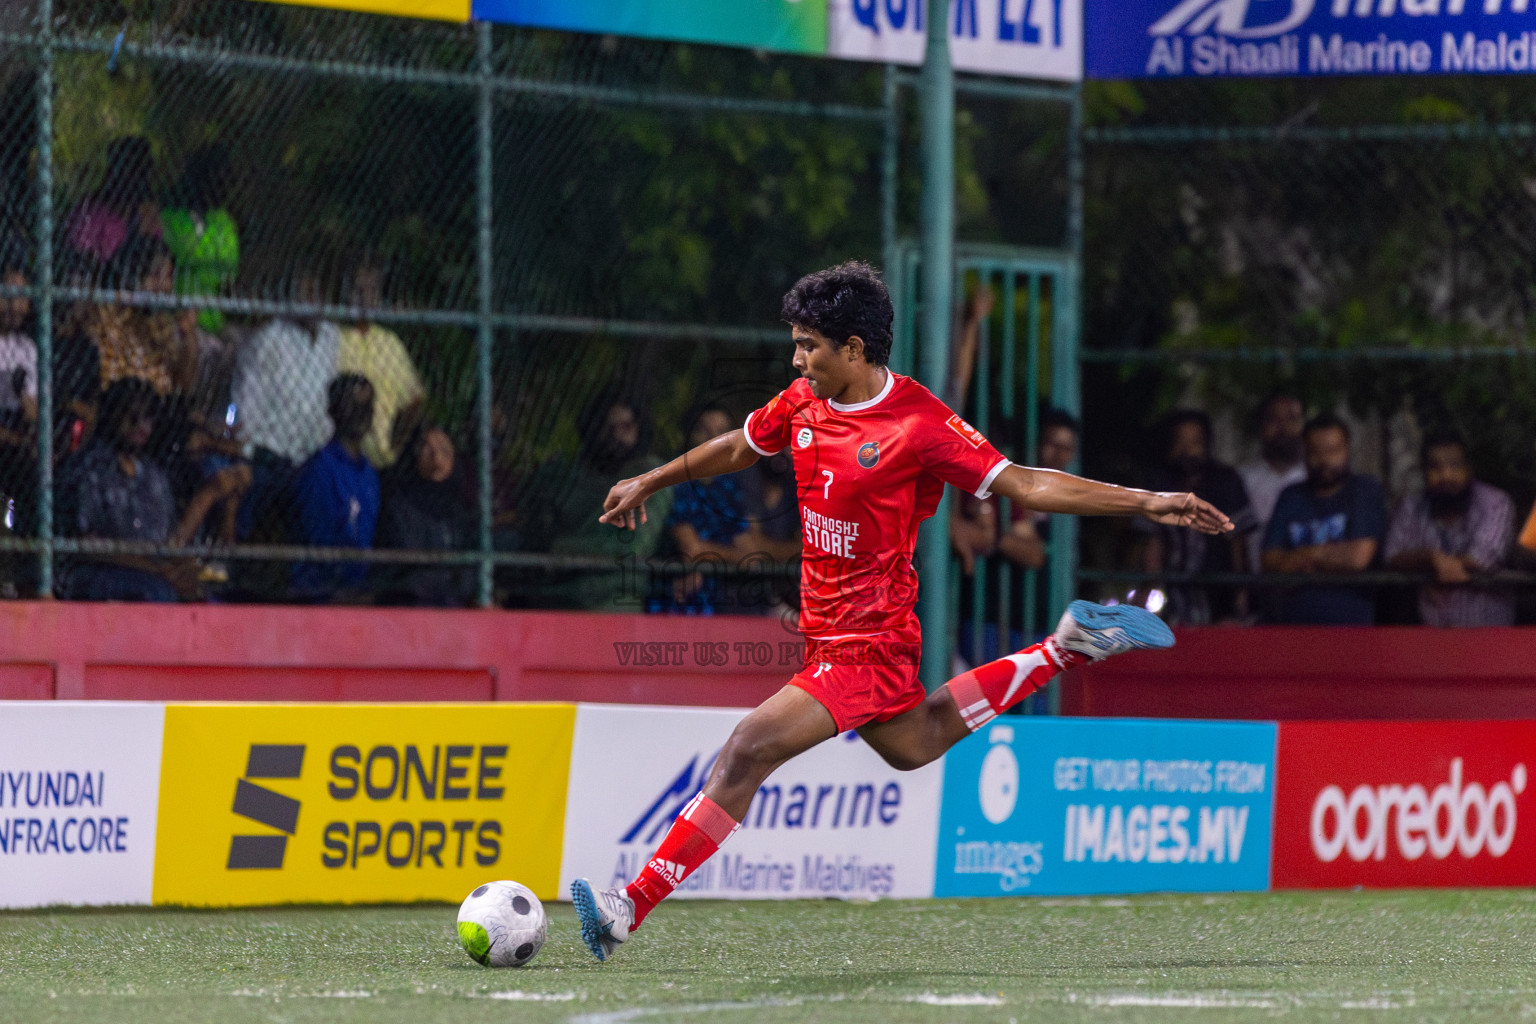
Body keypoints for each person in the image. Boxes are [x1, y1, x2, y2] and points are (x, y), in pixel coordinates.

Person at [568, 261, 1231, 961]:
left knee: (745, 750)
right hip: (827, 635)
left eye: (808, 345)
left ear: (854, 349)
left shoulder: (919, 423)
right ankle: (1067, 645)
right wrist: (652, 477)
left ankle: (624, 908)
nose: (797, 359)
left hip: (870, 641)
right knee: (916, 743)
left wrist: (1147, 501)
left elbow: (1027, 484)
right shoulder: (800, 401)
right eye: (795, 344)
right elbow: (738, 445)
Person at [57, 378, 250, 602]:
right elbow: (89, 546)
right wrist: (156, 570)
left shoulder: (152, 475)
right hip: (101, 572)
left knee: (205, 596)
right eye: (131, 414)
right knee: (157, 592)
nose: (140, 424)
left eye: (147, 416)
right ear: (113, 415)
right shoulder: (91, 468)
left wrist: (207, 495)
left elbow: (170, 545)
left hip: (152, 571)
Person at [230, 271, 340, 539]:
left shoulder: (330, 336)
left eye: (315, 292)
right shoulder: (268, 338)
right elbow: (244, 404)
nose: (310, 300)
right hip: (269, 454)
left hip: (313, 455)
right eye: (303, 293)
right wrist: (247, 451)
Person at [1261, 414, 1388, 625]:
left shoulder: (1364, 490)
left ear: (1346, 450)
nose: (1324, 461)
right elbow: (1270, 561)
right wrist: (1330, 556)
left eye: (1332, 451)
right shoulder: (1290, 496)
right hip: (1291, 626)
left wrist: (1304, 555)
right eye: (1315, 452)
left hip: (1351, 626)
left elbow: (1358, 558)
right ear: (1305, 453)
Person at [1134, 410, 1255, 625]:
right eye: (1180, 441)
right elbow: (1152, 547)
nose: (1187, 450)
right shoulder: (1159, 484)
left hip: (1218, 598)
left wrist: (1240, 599)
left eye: (1195, 442)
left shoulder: (1225, 481)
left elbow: (1238, 544)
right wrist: (1143, 602)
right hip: (1172, 601)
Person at [1384, 432, 1515, 627]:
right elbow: (1391, 555)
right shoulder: (1411, 505)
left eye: (1455, 465)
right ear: (1423, 471)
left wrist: (1438, 566)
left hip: (1487, 636)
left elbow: (1483, 557)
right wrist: (1430, 557)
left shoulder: (1494, 502)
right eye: (1435, 467)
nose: (1445, 475)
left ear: (1468, 469)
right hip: (1430, 637)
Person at [289, 374, 381, 601]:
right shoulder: (320, 468)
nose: (362, 414)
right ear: (334, 411)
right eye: (353, 405)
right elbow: (320, 544)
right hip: (320, 592)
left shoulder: (369, 473)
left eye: (366, 406)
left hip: (356, 589)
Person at [375, 422, 476, 607]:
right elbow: (405, 569)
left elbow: (470, 569)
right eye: (427, 449)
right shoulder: (400, 503)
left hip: (452, 606)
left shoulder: (460, 510)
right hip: (409, 606)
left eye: (444, 451)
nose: (436, 458)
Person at [337, 255, 424, 469]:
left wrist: (395, 446)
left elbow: (415, 400)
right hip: (342, 458)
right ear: (347, 293)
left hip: (383, 460)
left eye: (372, 290)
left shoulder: (390, 343)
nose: (366, 298)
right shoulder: (333, 339)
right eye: (359, 289)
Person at [160, 144, 239, 334]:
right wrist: (207, 261)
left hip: (213, 319)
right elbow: (169, 264)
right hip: (177, 319)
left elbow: (227, 273)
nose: (225, 186)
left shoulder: (223, 221)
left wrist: (191, 262)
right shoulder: (169, 218)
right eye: (218, 178)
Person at [1238, 393, 1306, 571]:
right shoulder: (1242, 479)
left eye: (1291, 419)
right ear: (1261, 426)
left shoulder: (1313, 479)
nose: (1283, 427)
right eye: (1274, 419)